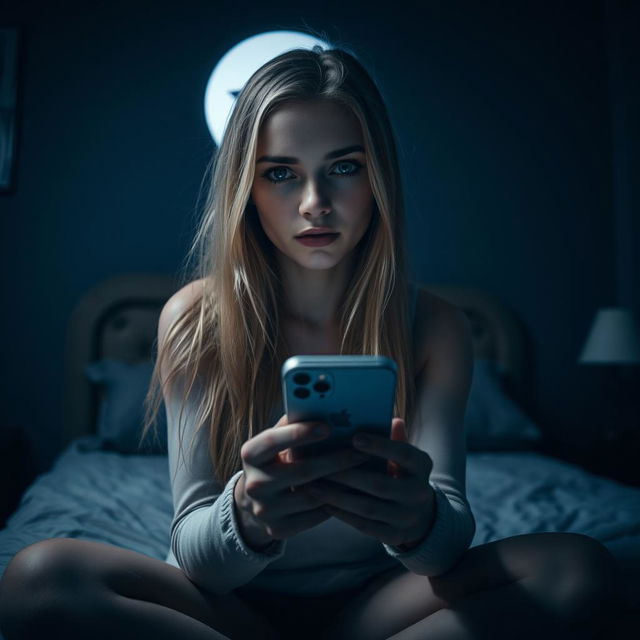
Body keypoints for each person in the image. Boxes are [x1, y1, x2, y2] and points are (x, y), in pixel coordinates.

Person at [0, 46, 627, 640]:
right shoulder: (194, 319)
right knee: (34, 580)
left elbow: (443, 550)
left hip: (378, 607)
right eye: (281, 174)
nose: (314, 204)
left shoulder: (436, 325)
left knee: (579, 568)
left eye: (345, 168)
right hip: (227, 608)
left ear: (378, 177)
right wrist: (246, 514)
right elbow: (198, 558)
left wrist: (420, 521)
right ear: (246, 188)